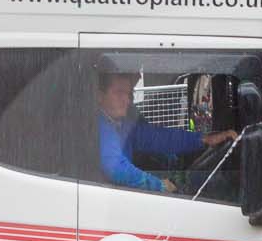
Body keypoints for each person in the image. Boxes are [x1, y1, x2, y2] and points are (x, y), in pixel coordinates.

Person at [96, 68, 232, 193]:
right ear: (100, 96)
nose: (126, 100)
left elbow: (157, 138)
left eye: (129, 94)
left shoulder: (123, 123)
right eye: (119, 93)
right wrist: (159, 185)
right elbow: (115, 168)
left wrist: (202, 139)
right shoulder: (100, 126)